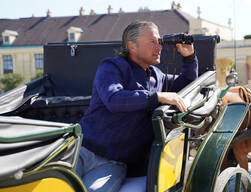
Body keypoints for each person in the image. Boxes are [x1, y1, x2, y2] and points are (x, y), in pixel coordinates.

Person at [76, 21, 198, 192]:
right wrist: (157, 97)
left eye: (160, 42)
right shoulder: (111, 66)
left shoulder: (157, 76)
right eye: (153, 42)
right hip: (80, 151)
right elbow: (114, 99)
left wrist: (189, 58)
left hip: (113, 163)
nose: (159, 47)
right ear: (132, 46)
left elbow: (187, 85)